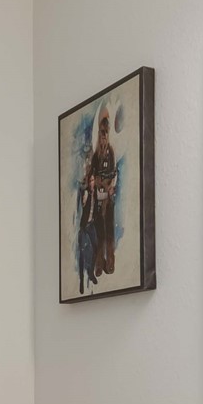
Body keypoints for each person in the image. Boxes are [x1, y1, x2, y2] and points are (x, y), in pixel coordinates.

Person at [76, 110, 119, 291]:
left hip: (108, 200)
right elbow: (91, 175)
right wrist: (97, 184)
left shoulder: (111, 152)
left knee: (109, 232)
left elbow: (115, 173)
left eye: (105, 136)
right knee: (100, 234)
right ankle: (99, 264)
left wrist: (110, 187)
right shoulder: (95, 157)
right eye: (101, 136)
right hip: (98, 199)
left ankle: (110, 262)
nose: (103, 140)